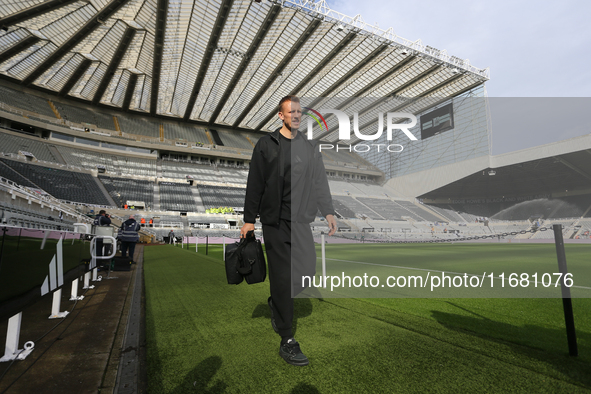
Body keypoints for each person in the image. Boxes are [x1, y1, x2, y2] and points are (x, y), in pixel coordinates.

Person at [240, 95, 336, 367]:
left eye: (299, 112)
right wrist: (249, 219)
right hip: (274, 222)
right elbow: (255, 182)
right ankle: (287, 339)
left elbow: (320, 181)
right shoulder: (266, 145)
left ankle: (276, 302)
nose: (295, 115)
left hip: (301, 221)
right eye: (290, 112)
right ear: (280, 116)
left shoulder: (309, 147)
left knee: (307, 274)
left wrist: (328, 211)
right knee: (282, 277)